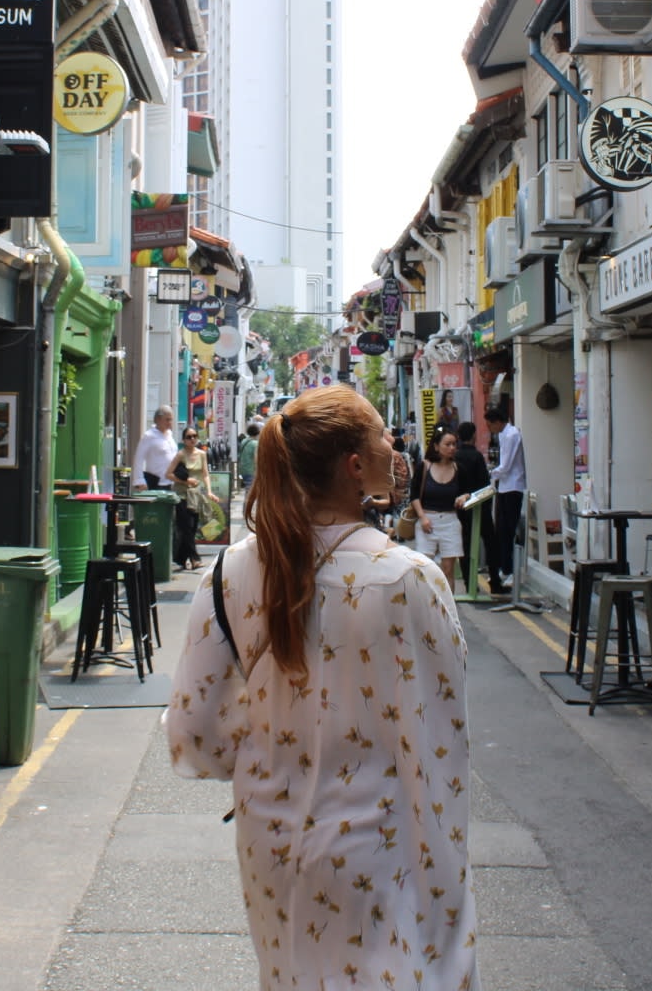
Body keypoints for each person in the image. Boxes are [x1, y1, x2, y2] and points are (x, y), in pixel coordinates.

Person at [165, 385, 477, 988]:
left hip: (269, 845)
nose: (395, 444)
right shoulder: (409, 579)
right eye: (384, 434)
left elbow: (192, 737)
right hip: (377, 852)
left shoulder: (231, 571)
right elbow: (442, 753)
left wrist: (268, 748)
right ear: (355, 466)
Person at [413, 428, 466, 585]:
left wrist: (465, 496)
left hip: (450, 521)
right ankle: (427, 606)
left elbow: (469, 490)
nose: (452, 448)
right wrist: (422, 517)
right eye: (447, 444)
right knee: (424, 567)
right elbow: (414, 495)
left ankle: (447, 607)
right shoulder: (424, 467)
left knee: (448, 569)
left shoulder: (459, 468)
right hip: (427, 520)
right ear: (436, 446)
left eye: (454, 444)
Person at [485, 405, 526, 595]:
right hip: (503, 487)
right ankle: (503, 569)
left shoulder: (511, 435)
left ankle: (509, 571)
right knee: (500, 530)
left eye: (490, 425)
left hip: (513, 487)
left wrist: (490, 473)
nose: (489, 429)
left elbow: (506, 465)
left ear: (498, 422)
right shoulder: (502, 435)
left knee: (508, 530)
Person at [171, 426, 213, 569]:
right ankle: (195, 559)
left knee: (193, 527)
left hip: (195, 495)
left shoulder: (202, 454)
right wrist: (185, 481)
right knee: (186, 527)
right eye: (189, 437)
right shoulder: (180, 455)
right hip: (182, 494)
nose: (192, 439)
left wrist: (209, 491)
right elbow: (168, 474)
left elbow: (205, 474)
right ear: (184, 440)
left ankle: (180, 558)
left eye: (194, 436)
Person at [453, 421, 492, 568]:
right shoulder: (477, 456)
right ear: (474, 435)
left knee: (465, 542)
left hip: (461, 506)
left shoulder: (455, 457)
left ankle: (468, 578)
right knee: (489, 540)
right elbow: (485, 483)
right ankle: (494, 578)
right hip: (480, 504)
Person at [135, 406, 178, 490]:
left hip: (172, 483)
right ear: (158, 419)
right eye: (167, 419)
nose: (170, 423)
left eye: (171, 420)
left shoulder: (170, 436)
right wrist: (139, 480)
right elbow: (138, 459)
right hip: (156, 483)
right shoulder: (149, 436)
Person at [238, 420, 260, 492]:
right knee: (249, 491)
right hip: (251, 470)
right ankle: (247, 503)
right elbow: (256, 458)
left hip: (242, 469)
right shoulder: (255, 444)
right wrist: (258, 470)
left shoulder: (243, 441)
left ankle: (247, 502)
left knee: (248, 489)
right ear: (257, 433)